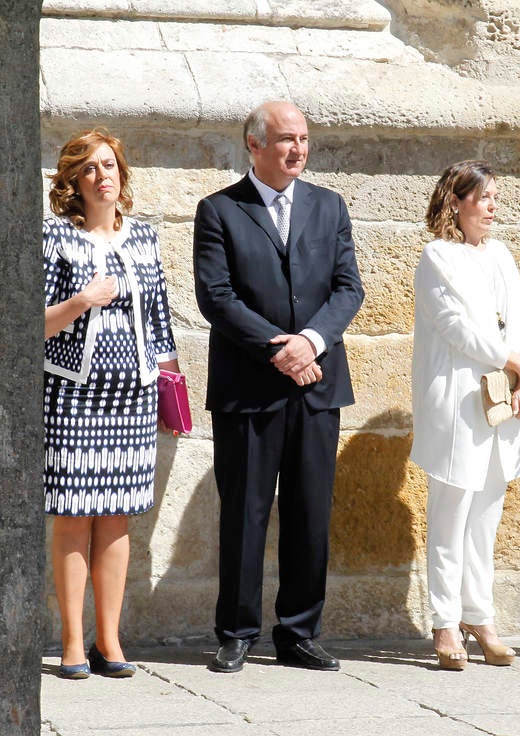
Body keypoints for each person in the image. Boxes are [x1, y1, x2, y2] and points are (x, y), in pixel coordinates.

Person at [194, 100, 364, 673]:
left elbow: (348, 290)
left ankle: (298, 632)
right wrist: (281, 350)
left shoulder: (329, 206)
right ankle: (236, 631)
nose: (298, 149)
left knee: (309, 511)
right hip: (249, 388)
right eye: (287, 139)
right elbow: (216, 297)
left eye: (305, 139)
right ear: (255, 144)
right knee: (244, 511)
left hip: (318, 385)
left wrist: (310, 343)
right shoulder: (218, 210)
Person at [44, 128, 180, 679]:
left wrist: (171, 390)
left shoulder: (143, 237)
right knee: (74, 518)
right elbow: (31, 323)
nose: (103, 176)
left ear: (122, 176)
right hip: (74, 395)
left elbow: (161, 318)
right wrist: (83, 300)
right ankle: (73, 643)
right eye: (91, 169)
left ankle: (111, 640)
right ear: (74, 183)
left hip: (133, 395)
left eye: (110, 166)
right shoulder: (54, 238)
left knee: (117, 519)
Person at [411, 160, 520, 670]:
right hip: (458, 400)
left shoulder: (501, 255)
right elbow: (457, 328)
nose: (492, 207)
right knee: (451, 513)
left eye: (494, 198)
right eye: (483, 197)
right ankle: (445, 622)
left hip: (502, 397)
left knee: (485, 516)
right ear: (456, 202)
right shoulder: (437, 257)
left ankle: (479, 615)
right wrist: (517, 365)